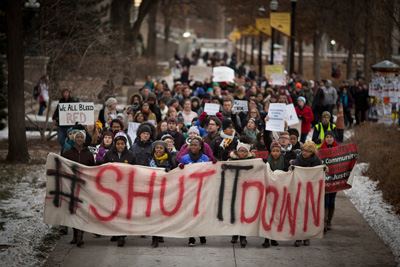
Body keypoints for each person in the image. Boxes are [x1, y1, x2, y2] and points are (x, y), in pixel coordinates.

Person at [102, 131, 136, 247]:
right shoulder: (109, 155)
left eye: (122, 144)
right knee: (114, 211)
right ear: (115, 145)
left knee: (123, 211)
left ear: (125, 144)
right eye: (118, 144)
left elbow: (136, 171)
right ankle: (115, 232)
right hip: (112, 189)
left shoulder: (131, 155)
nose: (120, 146)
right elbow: (103, 169)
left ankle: (122, 234)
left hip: (125, 188)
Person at [62, 128, 95, 247]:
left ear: (85, 139)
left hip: (85, 187)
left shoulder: (89, 154)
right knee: (73, 211)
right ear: (74, 138)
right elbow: (62, 166)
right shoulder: (68, 153)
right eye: (77, 137)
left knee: (82, 210)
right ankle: (75, 235)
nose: (80, 139)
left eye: (82, 137)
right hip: (72, 186)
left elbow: (92, 169)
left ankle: (80, 237)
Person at [178, 136, 212, 246]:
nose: (193, 147)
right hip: (189, 191)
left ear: (200, 146)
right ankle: (191, 238)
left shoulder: (206, 159)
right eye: (191, 145)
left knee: (201, 214)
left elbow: (209, 173)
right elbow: (178, 174)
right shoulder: (185, 158)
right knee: (190, 215)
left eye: (195, 145)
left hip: (202, 191)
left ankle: (202, 235)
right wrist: (180, 168)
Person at [290, 141, 323, 247]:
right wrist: (291, 168)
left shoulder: (317, 161)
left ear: (312, 152)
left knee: (308, 214)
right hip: (299, 189)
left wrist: (323, 171)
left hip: (311, 191)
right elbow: (292, 166)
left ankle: (307, 237)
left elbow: (318, 174)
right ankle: (298, 237)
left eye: (308, 151)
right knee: (299, 214)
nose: (305, 153)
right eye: (304, 150)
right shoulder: (298, 159)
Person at [148, 140, 177, 248]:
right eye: (157, 148)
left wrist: (168, 171)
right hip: (152, 191)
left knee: (161, 214)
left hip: (165, 191)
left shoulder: (171, 160)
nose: (159, 150)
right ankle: (154, 238)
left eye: (161, 148)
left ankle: (160, 233)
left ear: (165, 149)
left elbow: (175, 173)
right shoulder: (149, 160)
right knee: (154, 214)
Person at [262, 140, 289, 248]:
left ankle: (273, 237)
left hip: (279, 193)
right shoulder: (266, 162)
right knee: (267, 215)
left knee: (275, 216)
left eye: (277, 151)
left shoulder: (284, 162)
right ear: (270, 152)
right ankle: (266, 239)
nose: (276, 153)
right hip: (267, 192)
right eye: (273, 151)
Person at [228, 136, 255, 248]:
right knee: (235, 214)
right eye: (240, 151)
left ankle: (243, 237)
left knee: (244, 214)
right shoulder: (231, 160)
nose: (242, 153)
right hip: (234, 191)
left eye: (244, 151)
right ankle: (235, 234)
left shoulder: (252, 161)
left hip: (247, 192)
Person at [318, 131, 339, 232]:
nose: (329, 138)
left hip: (334, 180)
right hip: (325, 180)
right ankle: (324, 222)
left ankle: (329, 221)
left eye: (331, 137)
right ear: (325, 138)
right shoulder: (320, 150)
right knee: (325, 200)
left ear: (333, 138)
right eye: (327, 137)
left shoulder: (339, 150)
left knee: (331, 200)